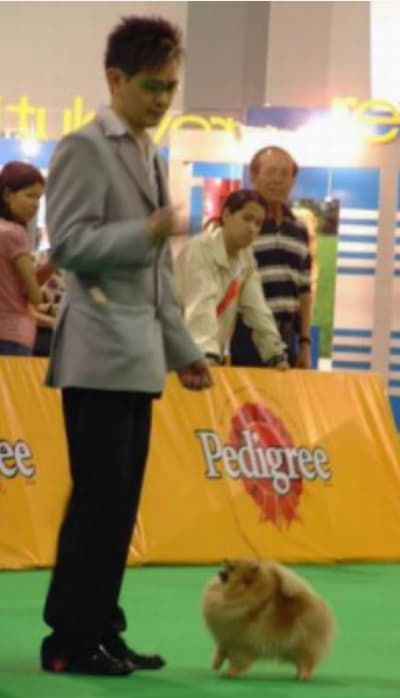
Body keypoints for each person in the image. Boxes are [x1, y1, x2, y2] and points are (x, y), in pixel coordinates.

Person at [41, 16, 212, 678]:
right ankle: (69, 640)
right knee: (97, 502)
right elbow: (69, 246)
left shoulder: (149, 153)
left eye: (170, 87)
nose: (163, 99)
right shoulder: (84, 147)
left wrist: (184, 350)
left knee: (119, 506)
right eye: (151, 86)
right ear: (115, 79)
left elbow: (159, 274)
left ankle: (102, 629)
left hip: (138, 358)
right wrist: (147, 230)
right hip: (97, 354)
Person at [174, 189, 287, 367]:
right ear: (226, 214)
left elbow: (257, 308)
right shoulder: (199, 249)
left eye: (258, 223)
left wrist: (275, 353)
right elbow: (201, 307)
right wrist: (207, 355)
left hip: (205, 356)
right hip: (178, 354)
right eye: (247, 218)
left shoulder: (246, 257)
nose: (252, 228)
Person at [231, 146, 312, 368]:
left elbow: (304, 290)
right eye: (271, 172)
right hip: (246, 337)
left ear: (293, 181)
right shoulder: (239, 225)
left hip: (287, 337)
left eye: (285, 174)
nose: (278, 180)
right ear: (253, 176)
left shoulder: (299, 229)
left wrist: (305, 342)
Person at [0, 161, 48, 355]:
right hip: (13, 336)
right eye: (30, 195)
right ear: (7, 194)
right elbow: (34, 296)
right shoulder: (15, 234)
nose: (35, 204)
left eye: (39, 198)